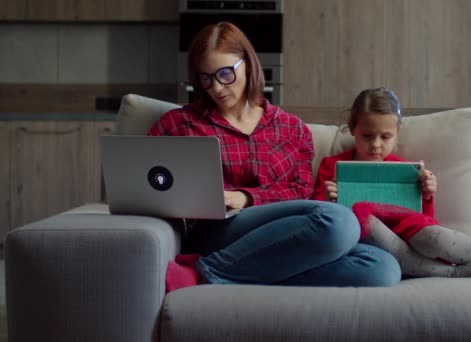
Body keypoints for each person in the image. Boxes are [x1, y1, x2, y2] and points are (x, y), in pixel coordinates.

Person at [147, 23, 401, 292]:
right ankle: (208, 272)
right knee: (339, 222)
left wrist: (245, 197)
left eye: (225, 74)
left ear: (247, 65)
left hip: (284, 233)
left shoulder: (291, 128)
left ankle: (229, 270)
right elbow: (149, 180)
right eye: (206, 79)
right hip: (218, 229)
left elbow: (301, 190)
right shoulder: (180, 124)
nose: (217, 88)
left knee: (382, 268)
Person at [313, 87, 471, 278]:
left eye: (385, 137)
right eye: (367, 136)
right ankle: (454, 273)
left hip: (408, 232)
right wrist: (328, 197)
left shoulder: (403, 168)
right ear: (353, 129)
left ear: (396, 134)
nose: (376, 144)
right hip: (368, 238)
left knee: (433, 235)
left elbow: (420, 217)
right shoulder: (332, 166)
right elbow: (317, 215)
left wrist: (426, 193)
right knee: (366, 220)